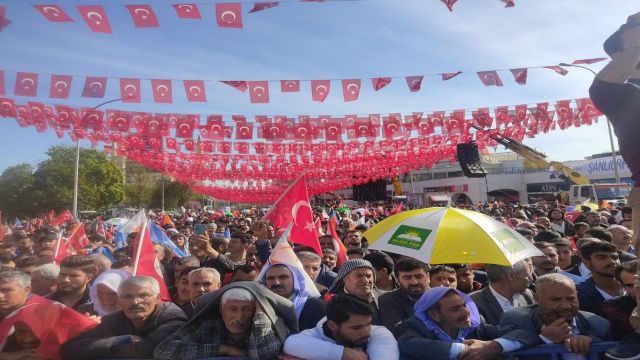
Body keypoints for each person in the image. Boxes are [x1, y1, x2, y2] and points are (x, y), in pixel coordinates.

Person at [154, 282, 297, 360]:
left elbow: (263, 355)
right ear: (221, 310)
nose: (239, 317)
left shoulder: (264, 324)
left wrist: (261, 315)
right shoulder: (209, 325)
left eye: (247, 309)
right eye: (233, 309)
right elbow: (164, 351)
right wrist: (224, 349)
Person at [61, 276, 187, 359]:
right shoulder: (115, 319)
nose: (135, 302)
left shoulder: (173, 318)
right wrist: (123, 340)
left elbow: (144, 351)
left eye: (143, 295)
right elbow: (70, 349)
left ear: (158, 298)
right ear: (119, 301)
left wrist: (99, 350)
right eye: (127, 297)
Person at [396, 286, 538, 359]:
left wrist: (493, 346)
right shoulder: (414, 326)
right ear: (434, 315)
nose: (466, 312)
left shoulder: (475, 325)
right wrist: (465, 350)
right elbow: (408, 344)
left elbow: (525, 334)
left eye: (464, 305)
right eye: (455, 309)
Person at [500, 273, 611, 356]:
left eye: (571, 298)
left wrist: (591, 342)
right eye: (556, 300)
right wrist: (546, 340)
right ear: (537, 299)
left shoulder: (600, 324)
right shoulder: (516, 320)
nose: (566, 306)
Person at [283, 295, 399, 360]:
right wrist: (346, 354)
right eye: (356, 328)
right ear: (332, 325)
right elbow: (291, 344)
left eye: (368, 324)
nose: (367, 333)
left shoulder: (379, 333)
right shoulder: (311, 336)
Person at [261, 263, 326, 330]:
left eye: (283, 277)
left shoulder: (315, 306)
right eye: (270, 278)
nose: (276, 282)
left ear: (296, 280)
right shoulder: (260, 305)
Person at [469, 260, 535, 326]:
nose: (531, 279)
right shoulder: (473, 303)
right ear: (511, 276)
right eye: (526, 275)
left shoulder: (528, 295)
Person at [378, 259, 430, 331]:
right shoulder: (388, 299)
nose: (414, 282)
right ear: (397, 280)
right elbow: (397, 329)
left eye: (419, 276)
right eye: (407, 278)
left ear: (428, 277)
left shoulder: (442, 297)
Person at [576, 240, 624, 318]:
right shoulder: (580, 294)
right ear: (587, 263)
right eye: (602, 258)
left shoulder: (633, 286)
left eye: (615, 257)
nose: (612, 262)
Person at [327, 259, 381, 325]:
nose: (365, 280)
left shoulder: (384, 297)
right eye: (359, 276)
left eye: (368, 276)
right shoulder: (333, 302)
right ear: (344, 278)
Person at [602, 260, 638, 340]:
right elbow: (632, 326)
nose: (637, 289)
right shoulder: (613, 305)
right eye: (630, 285)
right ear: (623, 286)